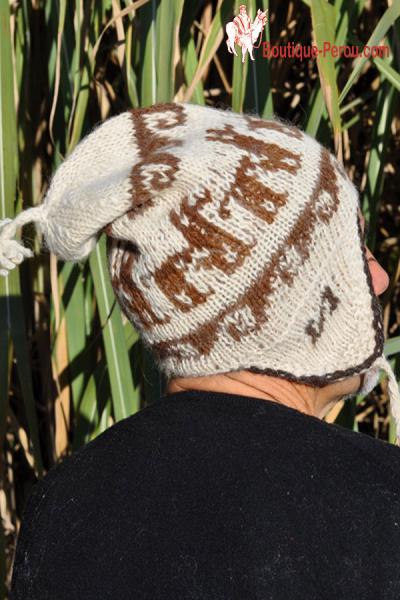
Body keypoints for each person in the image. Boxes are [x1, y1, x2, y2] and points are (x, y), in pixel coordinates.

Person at [3, 102, 400, 599]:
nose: (380, 279)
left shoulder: (60, 508)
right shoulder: (382, 503)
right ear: (282, 298)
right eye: (354, 250)